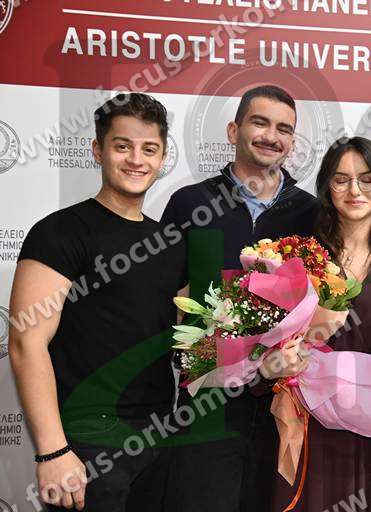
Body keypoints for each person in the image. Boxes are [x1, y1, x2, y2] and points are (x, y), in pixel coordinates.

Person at [9, 93, 185, 511]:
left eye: (149, 149)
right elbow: (25, 343)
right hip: (86, 444)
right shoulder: (60, 232)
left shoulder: (172, 243)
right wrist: (53, 451)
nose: (136, 160)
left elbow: (184, 341)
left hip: (160, 439)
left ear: (162, 158)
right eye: (123, 146)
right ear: (97, 150)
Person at [160, 85, 316, 512]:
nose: (271, 136)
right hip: (205, 403)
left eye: (284, 129)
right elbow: (163, 300)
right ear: (234, 131)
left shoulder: (310, 213)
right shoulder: (190, 204)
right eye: (259, 123)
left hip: (282, 405)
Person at [271, 136, 371, 511]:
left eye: (367, 179)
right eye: (341, 180)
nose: (354, 190)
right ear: (327, 188)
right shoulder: (301, 256)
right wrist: (278, 361)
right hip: (317, 425)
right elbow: (267, 347)